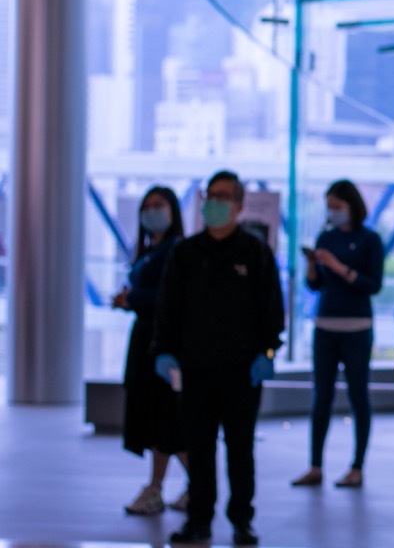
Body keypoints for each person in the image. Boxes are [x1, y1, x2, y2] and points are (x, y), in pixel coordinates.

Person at [153, 170, 285, 547]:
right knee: (199, 448)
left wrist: (268, 352)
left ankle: (242, 520)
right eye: (211, 195)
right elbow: (168, 308)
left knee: (240, 449)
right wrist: (162, 350)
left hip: (243, 373)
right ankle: (199, 519)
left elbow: (273, 312)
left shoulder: (255, 252)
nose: (215, 202)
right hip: (194, 371)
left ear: (240, 205)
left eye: (224, 195)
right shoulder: (185, 252)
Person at [292, 179, 385, 489]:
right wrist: (313, 268)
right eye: (329, 207)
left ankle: (357, 467)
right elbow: (316, 286)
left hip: (357, 328)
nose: (332, 212)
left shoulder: (370, 239)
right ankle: (315, 465)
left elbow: (373, 285)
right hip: (325, 326)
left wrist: (338, 266)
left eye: (337, 206)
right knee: (321, 397)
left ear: (352, 206)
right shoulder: (325, 237)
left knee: (359, 396)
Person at [112, 186, 189, 515]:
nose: (152, 211)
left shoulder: (176, 250)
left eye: (160, 205)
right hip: (145, 340)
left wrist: (133, 300)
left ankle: (177, 486)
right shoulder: (148, 250)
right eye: (148, 206)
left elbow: (171, 299)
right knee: (160, 421)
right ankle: (179, 485)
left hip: (164, 346)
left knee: (166, 420)